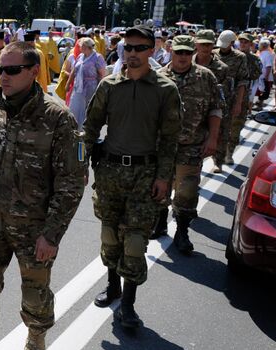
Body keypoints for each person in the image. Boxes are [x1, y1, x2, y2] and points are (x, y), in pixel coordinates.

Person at [0, 41, 85, 350]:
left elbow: (72, 183)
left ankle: (36, 345)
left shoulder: (59, 119)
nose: (3, 76)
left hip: (35, 230)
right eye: (0, 69)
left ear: (33, 72)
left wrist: (52, 235)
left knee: (35, 297)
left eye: (12, 70)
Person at [83, 25, 181, 330]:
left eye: (140, 48)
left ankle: (128, 304)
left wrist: (164, 178)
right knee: (110, 235)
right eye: (128, 48)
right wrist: (77, 164)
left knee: (135, 241)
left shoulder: (166, 90)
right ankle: (112, 285)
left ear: (152, 51)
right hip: (110, 172)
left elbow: (170, 140)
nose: (133, 53)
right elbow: (89, 127)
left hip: (144, 175)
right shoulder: (109, 86)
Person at [155, 35, 222, 253]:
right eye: (178, 52)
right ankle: (160, 222)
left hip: (192, 145)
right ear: (170, 51)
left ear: (192, 53)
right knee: (159, 186)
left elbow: (216, 108)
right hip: (162, 146)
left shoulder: (206, 77)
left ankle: (182, 231)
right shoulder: (158, 77)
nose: (183, 57)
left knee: (187, 190)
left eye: (187, 52)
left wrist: (213, 139)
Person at [213, 30, 248, 173]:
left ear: (233, 43)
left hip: (229, 100)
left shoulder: (240, 57)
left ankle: (219, 161)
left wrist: (239, 103)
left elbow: (242, 82)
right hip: (212, 98)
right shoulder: (213, 54)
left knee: (225, 132)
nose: (222, 47)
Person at [229, 33, 263, 165]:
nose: (243, 44)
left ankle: (229, 152)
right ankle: (218, 157)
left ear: (251, 44)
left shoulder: (255, 60)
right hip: (227, 95)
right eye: (241, 41)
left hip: (243, 96)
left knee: (237, 126)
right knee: (222, 126)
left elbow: (255, 77)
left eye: (246, 42)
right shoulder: (231, 56)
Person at [66, 37, 106, 129]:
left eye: (81, 46)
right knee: (75, 107)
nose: (79, 47)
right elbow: (73, 70)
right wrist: (68, 83)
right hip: (78, 87)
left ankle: (86, 131)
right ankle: (75, 128)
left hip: (90, 87)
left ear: (86, 46)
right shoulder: (80, 56)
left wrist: (101, 90)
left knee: (88, 109)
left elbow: (102, 74)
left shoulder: (97, 57)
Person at [255, 39, 273, 108]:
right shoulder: (262, 53)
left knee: (263, 92)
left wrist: (266, 77)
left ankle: (260, 105)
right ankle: (259, 103)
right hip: (260, 76)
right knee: (260, 91)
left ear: (262, 46)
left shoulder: (268, 54)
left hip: (265, 77)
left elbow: (268, 66)